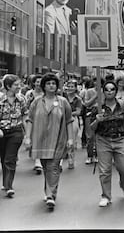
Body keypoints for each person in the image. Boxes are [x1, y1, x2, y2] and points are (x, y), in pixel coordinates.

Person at [24, 73, 74, 210]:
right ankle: (49, 190)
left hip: (58, 139)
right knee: (46, 167)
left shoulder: (63, 102)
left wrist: (70, 139)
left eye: (53, 83)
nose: (51, 86)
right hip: (40, 140)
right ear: (44, 86)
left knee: (53, 166)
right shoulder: (36, 102)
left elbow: (69, 121)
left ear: (57, 86)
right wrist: (27, 137)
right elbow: (30, 120)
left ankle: (51, 195)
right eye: (48, 83)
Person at [90, 80, 124, 207]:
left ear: (116, 91)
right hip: (103, 140)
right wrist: (97, 121)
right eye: (107, 90)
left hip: (120, 139)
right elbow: (91, 128)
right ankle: (106, 196)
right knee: (104, 170)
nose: (109, 92)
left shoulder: (123, 105)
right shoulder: (97, 107)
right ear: (103, 92)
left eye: (112, 89)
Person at [0, 74, 28, 198]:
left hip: (16, 131)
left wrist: (28, 135)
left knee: (10, 159)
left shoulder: (21, 99)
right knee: (3, 158)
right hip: (1, 132)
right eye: (16, 85)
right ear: (8, 86)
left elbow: (25, 116)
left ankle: (8, 186)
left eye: (19, 84)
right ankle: (5, 183)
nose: (19, 87)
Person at [25, 74, 44, 174]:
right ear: (34, 83)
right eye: (37, 82)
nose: (39, 84)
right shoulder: (29, 94)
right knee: (34, 139)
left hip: (45, 119)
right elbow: (26, 107)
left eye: (41, 82)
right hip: (33, 119)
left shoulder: (47, 93)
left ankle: (38, 161)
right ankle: (37, 160)